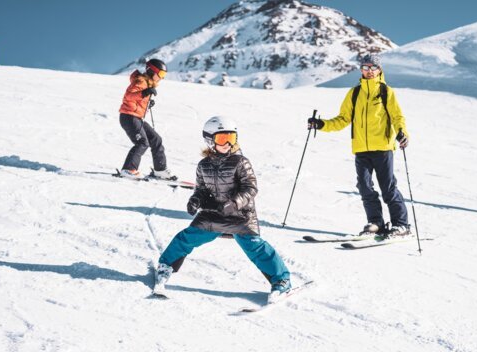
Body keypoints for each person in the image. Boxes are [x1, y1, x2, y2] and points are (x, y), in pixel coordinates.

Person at [154, 116, 292, 302]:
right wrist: (195, 200)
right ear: (210, 140)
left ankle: (281, 281)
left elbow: (250, 188)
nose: (227, 143)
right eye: (221, 138)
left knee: (255, 247)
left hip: (240, 215)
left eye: (232, 138)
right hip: (214, 214)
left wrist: (234, 203)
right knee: (187, 237)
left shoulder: (240, 161)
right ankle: (165, 266)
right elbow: (202, 189)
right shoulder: (204, 165)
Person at [307, 53, 410, 239]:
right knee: (364, 186)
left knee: (388, 187)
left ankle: (401, 225)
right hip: (361, 149)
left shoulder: (386, 92)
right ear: (361, 69)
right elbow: (343, 119)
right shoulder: (354, 93)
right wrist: (321, 124)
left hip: (383, 148)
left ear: (379, 70)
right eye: (365, 67)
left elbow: (397, 117)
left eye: (373, 67)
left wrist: (402, 132)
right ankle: (376, 223)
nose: (369, 71)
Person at [118, 58, 175, 179]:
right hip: (129, 117)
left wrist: (147, 103)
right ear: (152, 71)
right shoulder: (140, 82)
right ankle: (129, 169)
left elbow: (137, 101)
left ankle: (160, 170)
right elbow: (129, 96)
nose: (162, 77)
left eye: (164, 75)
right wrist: (144, 93)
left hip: (137, 117)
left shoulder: (147, 84)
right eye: (161, 74)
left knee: (156, 139)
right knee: (142, 143)